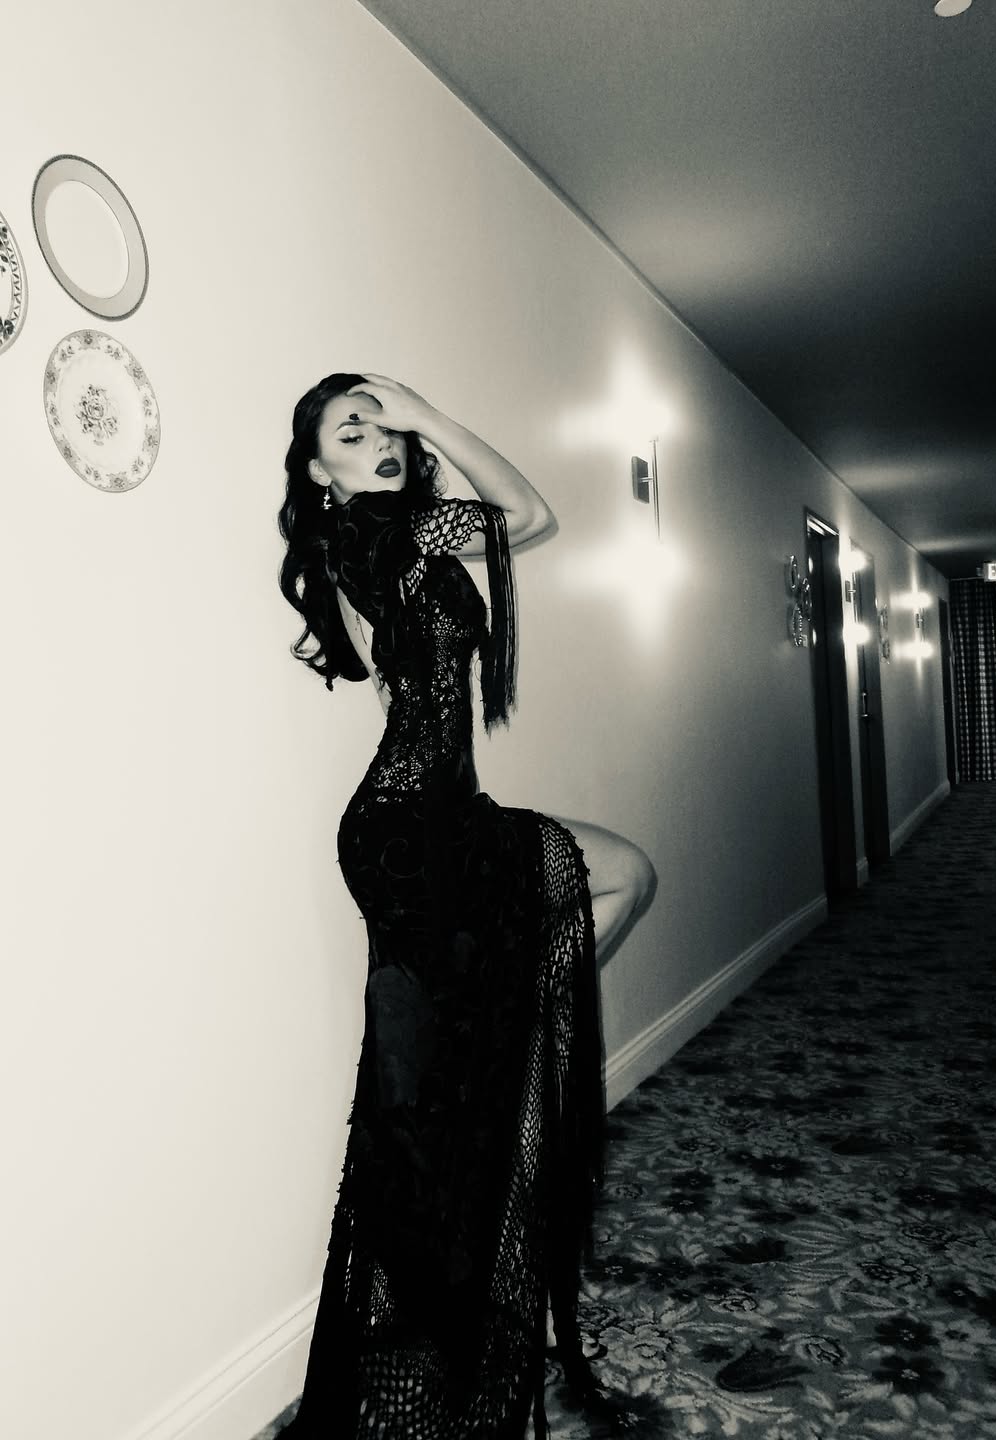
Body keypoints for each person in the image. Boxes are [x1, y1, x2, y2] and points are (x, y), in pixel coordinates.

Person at [276, 373, 654, 1439]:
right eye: (354, 430)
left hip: (440, 820)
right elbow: (526, 513)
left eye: (385, 424)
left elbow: (511, 531)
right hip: (409, 833)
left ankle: (445, 1285)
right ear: (321, 471)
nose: (381, 436)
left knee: (613, 884)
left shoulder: (397, 543)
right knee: (419, 1087)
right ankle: (429, 1313)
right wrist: (424, 415)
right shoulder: (371, 535)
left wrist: (415, 422)